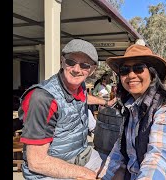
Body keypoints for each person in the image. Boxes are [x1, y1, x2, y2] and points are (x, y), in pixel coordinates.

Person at [18, 39, 116, 179]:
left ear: (92, 70)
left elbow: (84, 97)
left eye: (84, 65)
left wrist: (105, 102)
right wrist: (86, 174)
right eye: (71, 62)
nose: (76, 69)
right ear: (62, 61)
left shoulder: (79, 86)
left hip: (80, 156)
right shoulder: (42, 99)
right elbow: (37, 162)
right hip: (47, 171)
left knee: (121, 167)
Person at [97, 44, 166, 179]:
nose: (131, 75)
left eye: (138, 68)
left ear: (152, 74)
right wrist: (104, 176)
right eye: (125, 70)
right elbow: (119, 150)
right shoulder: (130, 108)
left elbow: (160, 157)